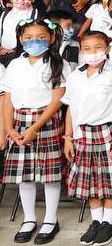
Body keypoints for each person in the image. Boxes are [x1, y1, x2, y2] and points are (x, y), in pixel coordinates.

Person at [63, 31, 112, 246]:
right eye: (87, 49)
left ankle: (109, 223)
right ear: (81, 51)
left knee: (109, 182)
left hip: (107, 133)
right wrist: (68, 137)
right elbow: (70, 109)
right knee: (91, 182)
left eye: (98, 48)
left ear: (107, 49)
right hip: (81, 135)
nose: (92, 53)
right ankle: (96, 222)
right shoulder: (75, 76)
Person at [1, 18, 69, 245]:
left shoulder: (59, 65)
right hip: (19, 122)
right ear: (20, 39)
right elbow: (8, 99)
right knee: (24, 175)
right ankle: (29, 219)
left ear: (51, 38)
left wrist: (35, 128)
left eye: (41, 37)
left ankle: (51, 219)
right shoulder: (15, 65)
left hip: (46, 121)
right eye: (28, 38)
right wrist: (9, 128)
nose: (34, 42)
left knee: (49, 174)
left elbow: (57, 101)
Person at [0, 0, 41, 65]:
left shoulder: (36, 15)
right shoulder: (5, 14)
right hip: (2, 54)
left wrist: (15, 50)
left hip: (23, 57)